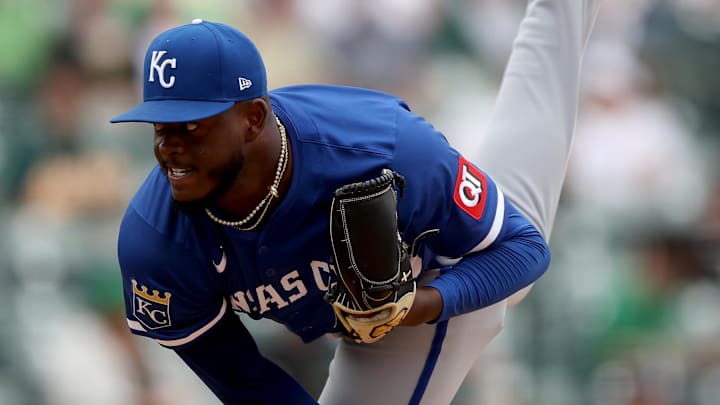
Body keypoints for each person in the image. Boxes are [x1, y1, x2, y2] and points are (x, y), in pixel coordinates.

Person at [109, 0, 602, 403]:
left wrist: (419, 305)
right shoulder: (155, 241)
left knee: (526, 151)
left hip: (444, 274)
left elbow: (523, 249)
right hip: (371, 314)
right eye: (161, 125)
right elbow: (244, 381)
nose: (169, 146)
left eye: (192, 126)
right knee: (523, 147)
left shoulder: (381, 148)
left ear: (253, 119)